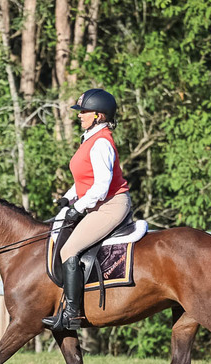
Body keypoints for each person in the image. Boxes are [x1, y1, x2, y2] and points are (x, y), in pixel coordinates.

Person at [42, 88, 131, 331]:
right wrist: (68, 198)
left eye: (84, 112)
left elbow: (102, 186)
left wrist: (78, 207)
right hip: (98, 204)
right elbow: (86, 179)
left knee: (69, 249)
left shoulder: (101, 143)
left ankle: (72, 314)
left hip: (110, 206)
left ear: (99, 116)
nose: (80, 115)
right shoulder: (90, 139)